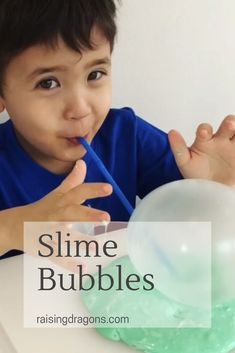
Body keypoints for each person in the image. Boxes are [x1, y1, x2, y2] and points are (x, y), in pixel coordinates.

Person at [0, 0, 235, 260]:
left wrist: (214, 192)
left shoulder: (126, 135)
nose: (80, 109)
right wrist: (10, 228)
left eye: (94, 74)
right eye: (48, 83)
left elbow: (189, 226)